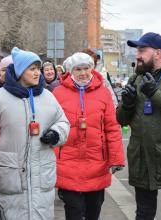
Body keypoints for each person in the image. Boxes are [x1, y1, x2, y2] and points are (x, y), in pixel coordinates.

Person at [0, 47, 70, 220]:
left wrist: (56, 133)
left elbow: (63, 122)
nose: (37, 73)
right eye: (32, 69)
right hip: (10, 176)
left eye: (38, 69)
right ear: (19, 71)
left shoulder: (48, 97)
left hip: (42, 176)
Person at [116, 32, 161, 219]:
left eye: (142, 50)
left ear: (158, 52)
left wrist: (154, 94)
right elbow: (121, 120)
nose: (137, 55)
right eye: (137, 50)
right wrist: (127, 104)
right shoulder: (136, 79)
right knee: (144, 214)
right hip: (142, 159)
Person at [53, 52, 124, 220]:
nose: (83, 73)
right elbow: (51, 125)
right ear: (71, 71)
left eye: (87, 68)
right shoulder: (58, 93)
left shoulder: (103, 93)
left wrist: (116, 159)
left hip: (96, 164)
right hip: (67, 164)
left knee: (93, 212)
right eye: (78, 69)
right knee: (74, 212)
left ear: (92, 69)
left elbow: (112, 128)